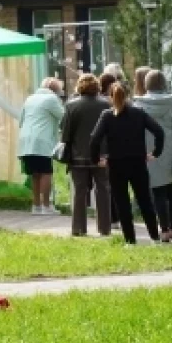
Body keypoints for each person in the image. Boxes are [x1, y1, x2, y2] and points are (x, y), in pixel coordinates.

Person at [89, 83, 165, 244]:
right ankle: (155, 237)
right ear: (128, 95)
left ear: (110, 97)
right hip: (138, 162)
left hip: (116, 164)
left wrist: (96, 159)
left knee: (122, 203)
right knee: (145, 200)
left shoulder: (107, 115)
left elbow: (94, 139)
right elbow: (159, 131)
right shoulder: (139, 113)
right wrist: (155, 153)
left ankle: (130, 240)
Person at [134, 69, 172, 242]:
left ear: (146, 85)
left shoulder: (139, 104)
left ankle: (163, 230)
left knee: (158, 192)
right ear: (164, 83)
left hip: (151, 153)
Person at [62, 74, 112, 236]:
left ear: (79, 86)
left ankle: (78, 228)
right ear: (97, 87)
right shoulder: (107, 104)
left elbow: (65, 134)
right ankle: (105, 228)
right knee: (103, 189)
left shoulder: (71, 105)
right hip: (102, 155)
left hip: (78, 155)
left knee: (80, 191)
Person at [17, 78, 65, 215]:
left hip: (26, 140)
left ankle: (36, 205)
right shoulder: (51, 99)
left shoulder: (30, 98)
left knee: (35, 174)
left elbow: (21, 120)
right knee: (46, 172)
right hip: (41, 140)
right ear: (55, 90)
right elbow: (64, 116)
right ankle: (46, 206)